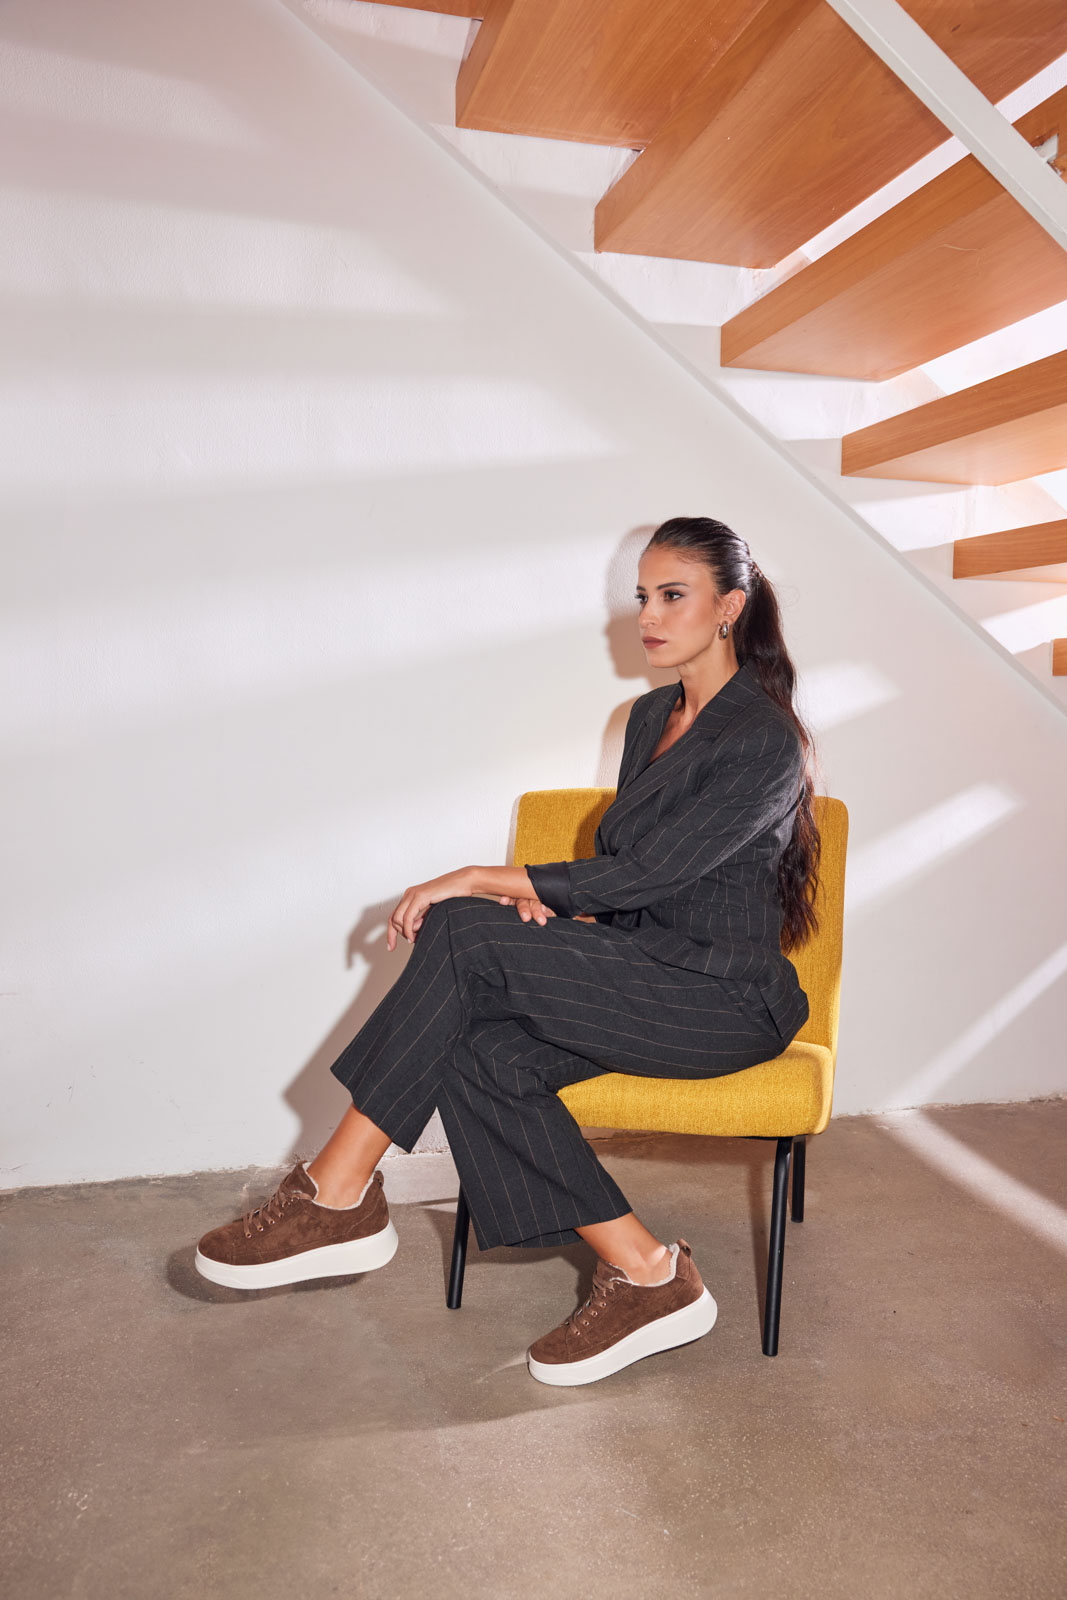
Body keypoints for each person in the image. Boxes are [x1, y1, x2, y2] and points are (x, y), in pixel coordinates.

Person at [194, 515, 822, 1387]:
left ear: (729, 607)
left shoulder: (763, 738)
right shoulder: (650, 715)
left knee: (460, 924)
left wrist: (485, 879)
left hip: (721, 1001)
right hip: (644, 974)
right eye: (642, 595)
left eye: (672, 595)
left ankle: (336, 1193)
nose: (647, 615)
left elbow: (648, 872)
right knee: (476, 1048)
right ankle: (648, 1273)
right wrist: (569, 925)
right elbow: (632, 877)